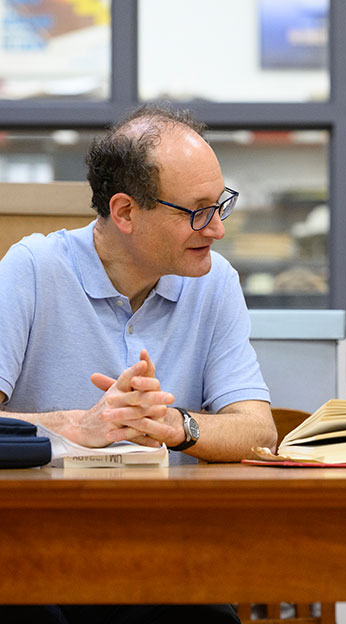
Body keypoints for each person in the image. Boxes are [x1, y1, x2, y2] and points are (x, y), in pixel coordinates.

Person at [0, 104, 277, 623]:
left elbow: (259, 432)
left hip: (163, 552)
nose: (216, 229)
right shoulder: (31, 270)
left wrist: (171, 424)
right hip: (35, 548)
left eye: (221, 205)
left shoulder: (215, 284)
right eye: (196, 211)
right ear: (125, 212)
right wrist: (76, 426)